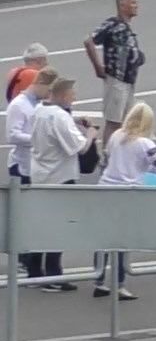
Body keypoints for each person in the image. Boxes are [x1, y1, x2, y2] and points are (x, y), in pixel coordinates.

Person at [94, 102, 156, 299]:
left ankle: (99, 279)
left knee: (103, 237)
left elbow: (106, 160)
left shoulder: (116, 136)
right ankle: (118, 284)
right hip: (126, 193)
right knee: (121, 239)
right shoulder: (145, 143)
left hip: (104, 188)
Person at [27, 78, 90, 288]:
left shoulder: (38, 110)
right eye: (72, 95)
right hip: (60, 175)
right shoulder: (59, 116)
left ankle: (34, 271)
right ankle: (54, 275)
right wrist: (91, 135)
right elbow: (78, 147)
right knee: (59, 227)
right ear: (63, 96)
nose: (74, 98)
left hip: (40, 173)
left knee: (40, 225)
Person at [82, 0, 143, 142]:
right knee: (114, 121)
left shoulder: (127, 27)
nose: (137, 6)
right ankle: (107, 156)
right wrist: (98, 67)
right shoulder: (113, 24)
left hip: (129, 81)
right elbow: (89, 41)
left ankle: (120, 153)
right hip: (117, 80)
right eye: (133, 2)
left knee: (126, 119)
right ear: (122, 5)